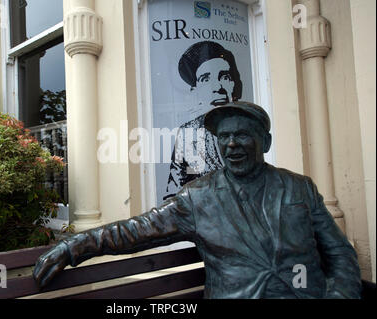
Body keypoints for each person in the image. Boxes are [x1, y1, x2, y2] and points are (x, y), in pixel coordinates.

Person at [33, 101, 362, 299]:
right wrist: (72, 247)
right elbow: (132, 231)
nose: (231, 144)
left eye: (242, 134)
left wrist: (340, 293)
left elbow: (339, 251)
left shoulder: (299, 188)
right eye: (224, 137)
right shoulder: (197, 198)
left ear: (266, 140)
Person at [163, 41, 243, 200]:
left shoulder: (248, 125)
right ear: (195, 91)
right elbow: (174, 193)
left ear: (234, 84)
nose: (217, 87)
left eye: (225, 77)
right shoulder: (188, 133)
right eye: (206, 79)